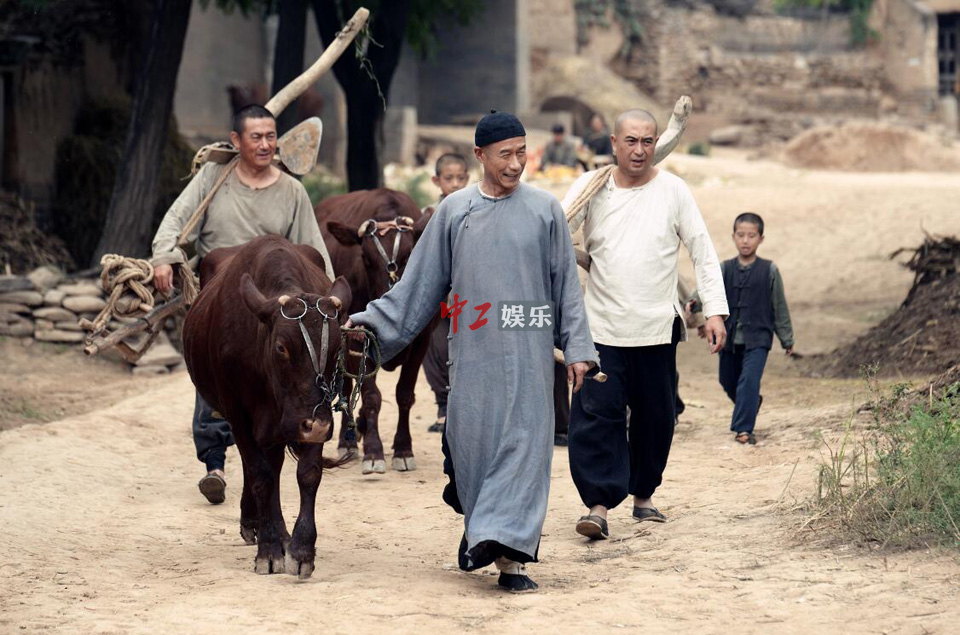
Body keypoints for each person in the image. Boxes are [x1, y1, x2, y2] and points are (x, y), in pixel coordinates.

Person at [345, 111, 597, 593]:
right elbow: (420, 284)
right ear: (480, 155)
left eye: (523, 152)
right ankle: (480, 532)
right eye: (506, 154)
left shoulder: (544, 210)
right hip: (475, 353)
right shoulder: (454, 212)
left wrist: (579, 348)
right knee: (474, 447)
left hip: (529, 352)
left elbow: (566, 286)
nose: (516, 163)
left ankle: (510, 558)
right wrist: (372, 323)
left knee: (525, 449)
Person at [150, 104, 334, 505]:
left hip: (275, 306)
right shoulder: (214, 179)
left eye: (271, 136)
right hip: (224, 296)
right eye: (256, 137)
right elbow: (176, 220)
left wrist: (328, 306)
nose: (266, 144)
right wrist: (164, 254)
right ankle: (214, 461)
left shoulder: (292, 190)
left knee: (285, 378)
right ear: (236, 141)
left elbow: (313, 254)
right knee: (216, 370)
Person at [564, 109, 729, 540]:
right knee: (597, 416)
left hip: (656, 327)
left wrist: (714, 311)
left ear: (656, 144)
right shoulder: (591, 186)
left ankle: (642, 496)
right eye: (631, 141)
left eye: (647, 142)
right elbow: (554, 232)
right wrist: (577, 259)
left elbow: (702, 250)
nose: (639, 150)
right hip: (601, 327)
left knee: (656, 417)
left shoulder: (674, 190)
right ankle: (598, 506)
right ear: (614, 143)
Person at [715, 212, 794, 445]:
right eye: (741, 235)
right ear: (733, 237)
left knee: (748, 380)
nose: (746, 240)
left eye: (751, 235)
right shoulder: (725, 268)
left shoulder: (769, 270)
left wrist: (786, 338)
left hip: (759, 336)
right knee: (727, 380)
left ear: (761, 238)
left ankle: (743, 429)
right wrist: (693, 302)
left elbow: (779, 305)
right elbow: (709, 292)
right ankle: (751, 403)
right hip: (729, 337)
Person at [421, 153, 470, 433]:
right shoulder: (430, 213)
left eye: (460, 178)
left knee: (468, 347)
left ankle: (465, 407)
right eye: (448, 179)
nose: (455, 184)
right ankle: (443, 404)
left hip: (470, 296)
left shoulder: (477, 207)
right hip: (442, 295)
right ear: (436, 181)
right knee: (436, 344)